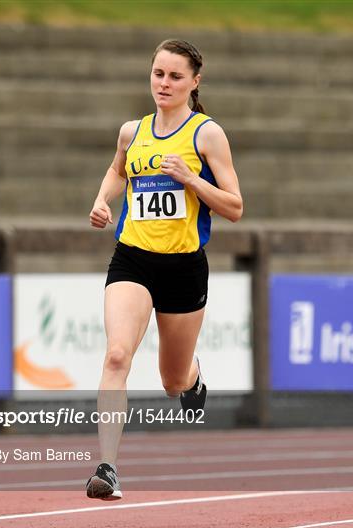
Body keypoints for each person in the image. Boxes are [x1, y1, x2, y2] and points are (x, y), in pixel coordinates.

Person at [86, 39, 243, 501]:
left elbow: (235, 207)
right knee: (117, 355)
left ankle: (193, 376)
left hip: (183, 266)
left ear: (194, 82)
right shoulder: (131, 132)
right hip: (133, 256)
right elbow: (118, 171)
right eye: (158, 74)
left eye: (175, 76)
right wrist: (101, 201)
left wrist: (192, 180)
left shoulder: (207, 134)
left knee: (172, 382)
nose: (164, 83)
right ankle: (108, 468)